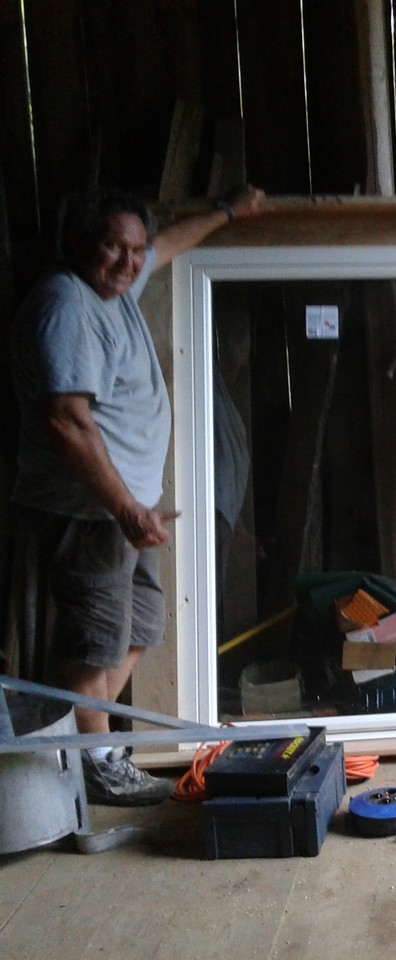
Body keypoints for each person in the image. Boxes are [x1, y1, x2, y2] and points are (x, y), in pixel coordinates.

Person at [11, 185, 266, 803]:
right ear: (80, 244)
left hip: (125, 511)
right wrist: (126, 508)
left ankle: (89, 742)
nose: (129, 261)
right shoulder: (67, 305)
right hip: (89, 512)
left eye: (134, 249)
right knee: (92, 642)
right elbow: (67, 421)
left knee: (142, 624)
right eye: (113, 247)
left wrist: (227, 212)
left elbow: (166, 245)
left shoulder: (116, 286)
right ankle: (97, 765)